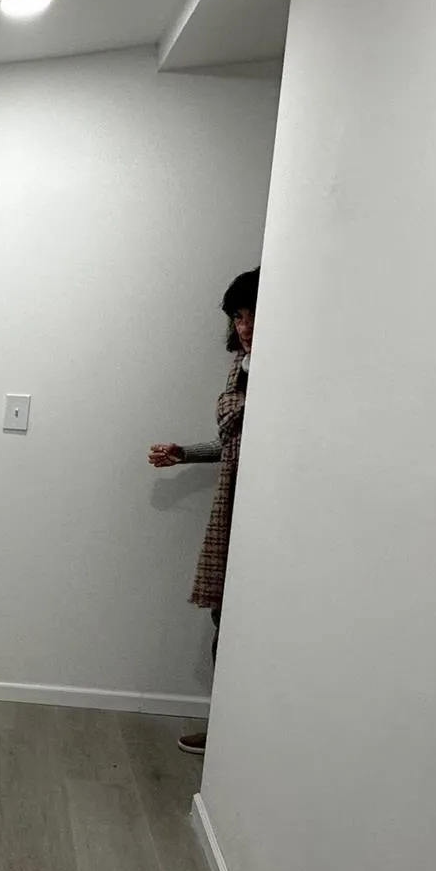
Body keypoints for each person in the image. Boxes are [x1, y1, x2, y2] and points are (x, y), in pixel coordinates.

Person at [149, 268, 258, 755]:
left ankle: (240, 739)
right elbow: (230, 442)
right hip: (232, 504)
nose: (243, 325)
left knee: (248, 622)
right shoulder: (242, 369)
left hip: (262, 509)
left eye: (251, 312)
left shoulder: (287, 374)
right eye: (237, 316)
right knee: (225, 619)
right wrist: (184, 453)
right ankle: (229, 734)